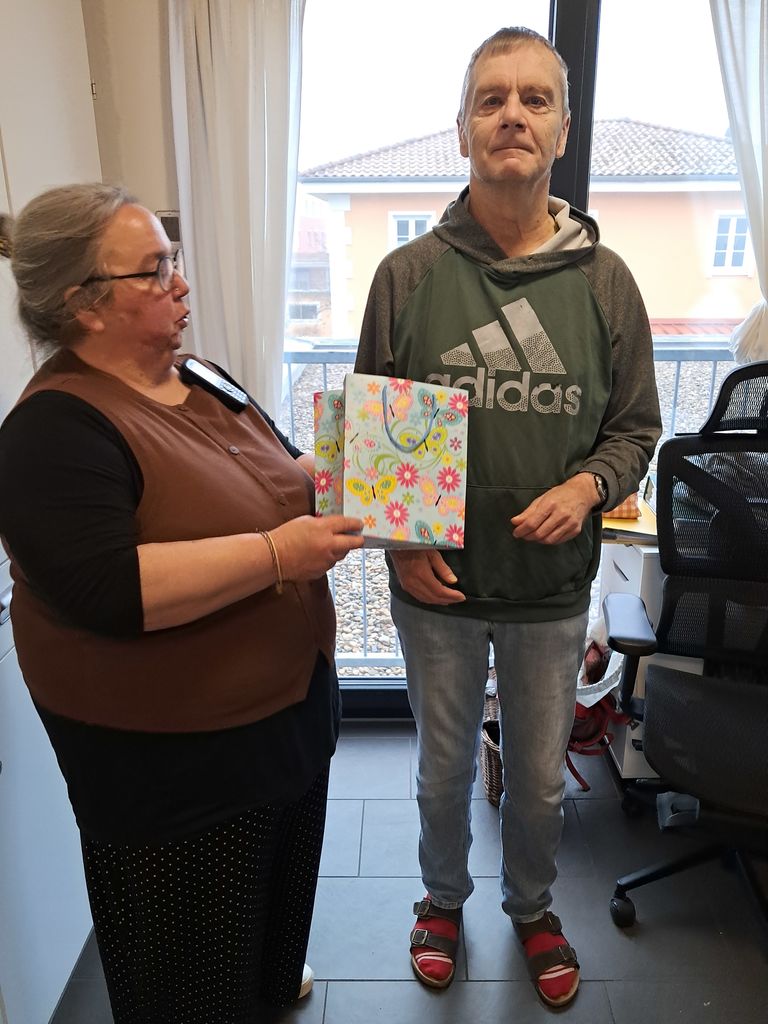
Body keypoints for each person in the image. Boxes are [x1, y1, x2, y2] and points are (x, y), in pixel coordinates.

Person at [0, 183, 364, 1023]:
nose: (181, 282)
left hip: (285, 725)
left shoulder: (199, 374)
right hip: (177, 776)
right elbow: (110, 590)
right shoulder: (52, 433)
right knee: (188, 977)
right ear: (84, 303)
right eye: (155, 269)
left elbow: (277, 466)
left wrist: (344, 474)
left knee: (268, 933)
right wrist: (278, 554)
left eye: (175, 261)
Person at [355, 26, 662, 1008]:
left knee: (536, 782)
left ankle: (532, 907)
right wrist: (399, 543)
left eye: (535, 99)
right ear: (462, 131)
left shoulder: (605, 281)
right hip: (437, 587)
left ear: (562, 131)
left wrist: (586, 489)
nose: (513, 115)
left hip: (549, 590)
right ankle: (441, 900)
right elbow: (374, 432)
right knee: (442, 772)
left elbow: (636, 429)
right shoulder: (407, 276)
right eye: (491, 99)